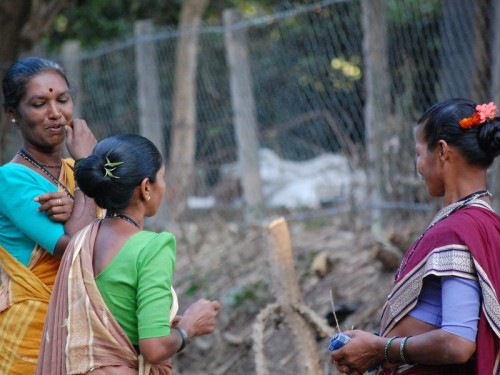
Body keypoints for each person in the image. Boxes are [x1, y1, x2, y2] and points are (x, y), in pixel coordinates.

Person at [330, 98, 500, 375]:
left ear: (443, 151)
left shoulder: (459, 230)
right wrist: (376, 342)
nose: (418, 165)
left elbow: (458, 343)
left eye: (419, 153)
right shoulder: (486, 225)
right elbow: (441, 320)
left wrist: (380, 348)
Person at [36, 134, 221, 374]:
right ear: (146, 187)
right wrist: (189, 326)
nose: (164, 186)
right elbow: (153, 349)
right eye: (162, 178)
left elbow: (116, 316)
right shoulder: (152, 247)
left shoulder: (82, 240)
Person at [0, 57, 99, 374]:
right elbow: (78, 250)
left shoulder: (74, 173)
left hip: (84, 331)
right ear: (13, 114)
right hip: (32, 338)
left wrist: (76, 202)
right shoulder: (11, 180)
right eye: (39, 103)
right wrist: (87, 168)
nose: (56, 113)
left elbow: (119, 234)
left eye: (62, 100)